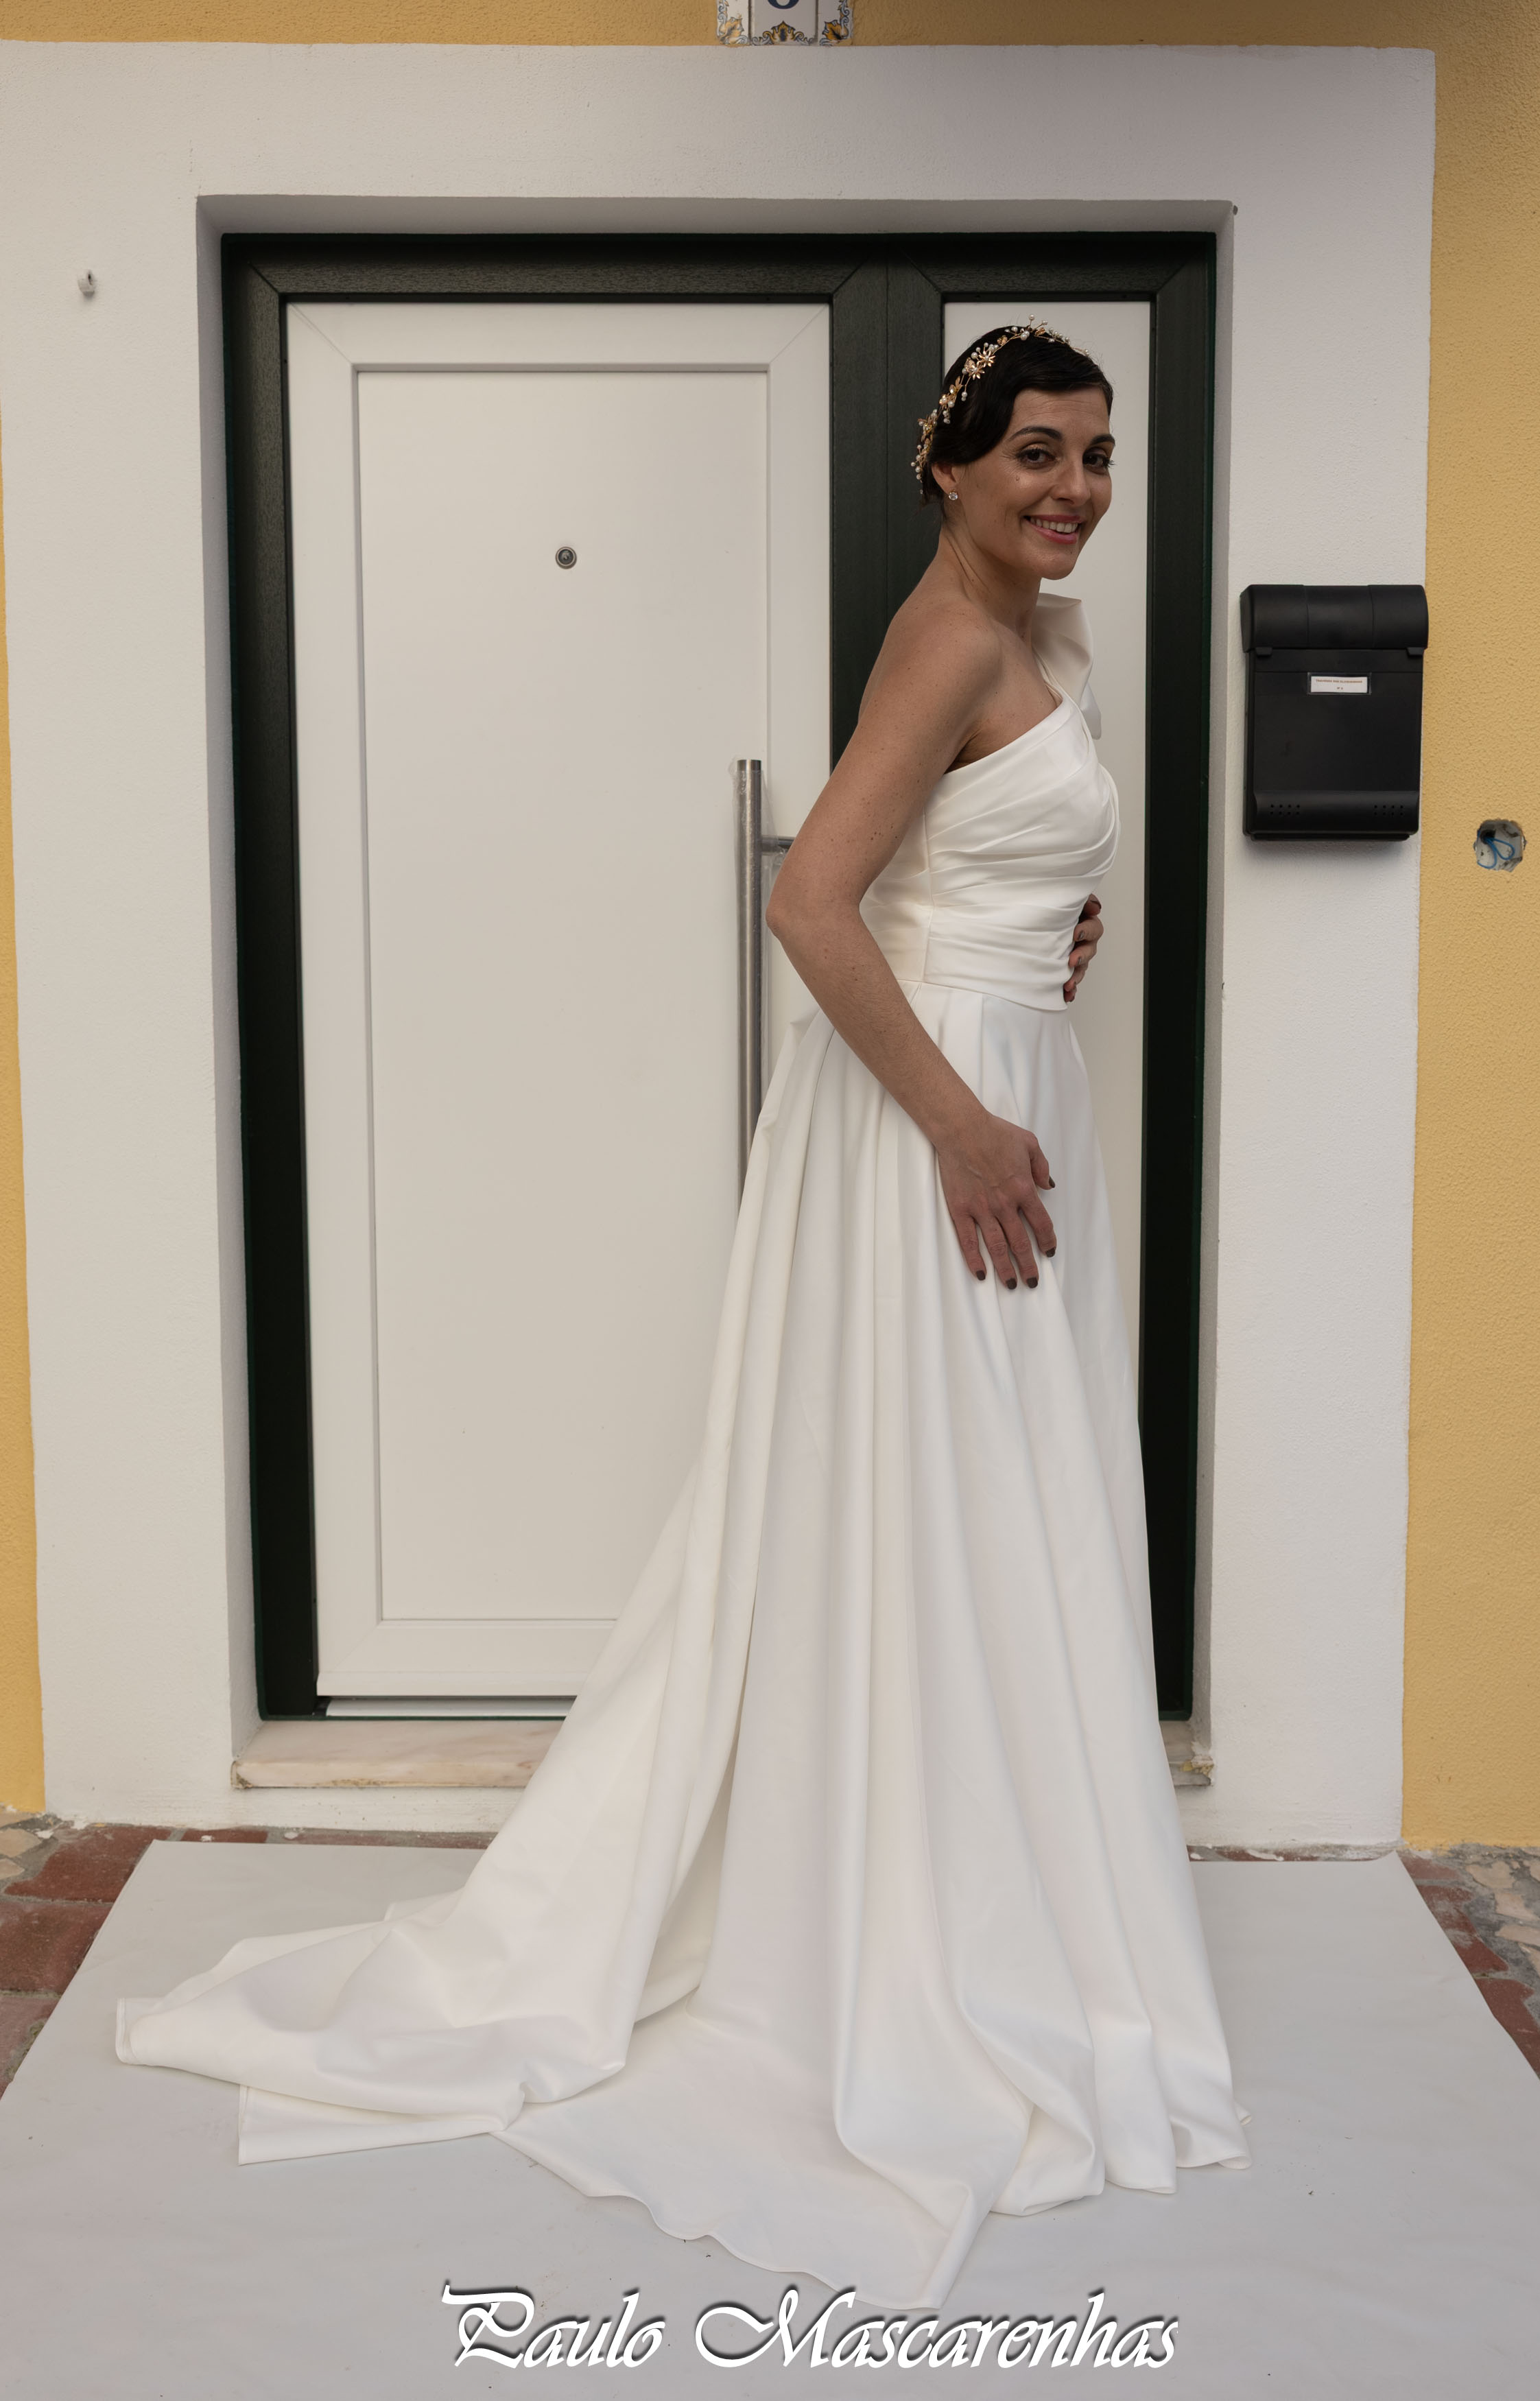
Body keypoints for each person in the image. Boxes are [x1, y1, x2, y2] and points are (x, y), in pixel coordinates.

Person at [119, 325, 1249, 2308]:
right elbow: (810, 901)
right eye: (1035, 454)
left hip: (997, 1088)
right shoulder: (951, 640)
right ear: (951, 467)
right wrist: (963, 1120)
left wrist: (1040, 920)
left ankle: (987, 1876)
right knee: (940, 1492)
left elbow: (942, 864)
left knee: (991, 1494)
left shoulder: (1035, 637)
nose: (1074, 488)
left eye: (1096, 455)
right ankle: (905, 1917)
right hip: (940, 1129)